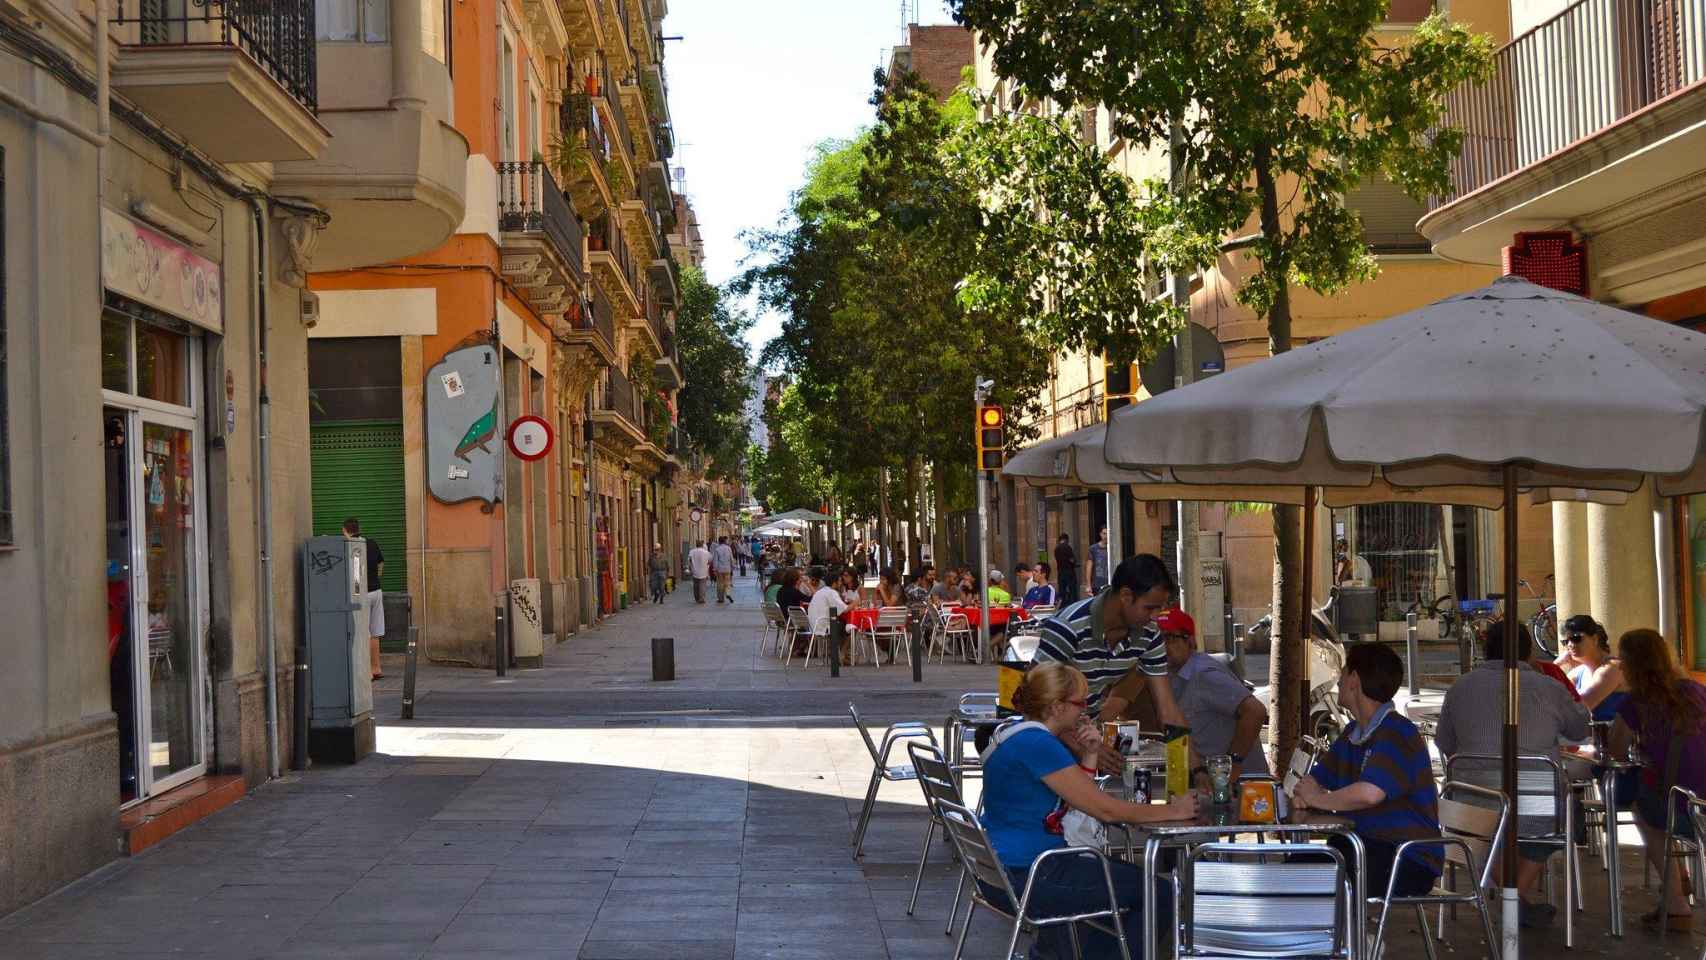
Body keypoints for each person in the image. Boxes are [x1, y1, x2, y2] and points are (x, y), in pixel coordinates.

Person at [980, 661, 1199, 959]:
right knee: (1160, 894)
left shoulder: (1017, 735)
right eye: (1079, 702)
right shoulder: (1040, 745)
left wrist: (1090, 755)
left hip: (1005, 870)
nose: (1085, 710)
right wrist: (1173, 812)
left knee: (1120, 879)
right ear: (1057, 707)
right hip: (1031, 874)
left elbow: (1073, 799)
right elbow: (1105, 810)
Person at [1434, 620, 1589, 927]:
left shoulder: (1460, 687)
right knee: (1560, 819)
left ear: (1485, 650)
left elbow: (1445, 743)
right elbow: (1580, 729)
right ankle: (1514, 899)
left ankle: (1512, 898)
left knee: (1484, 835)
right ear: (1527, 651)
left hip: (1470, 806)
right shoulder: (1550, 688)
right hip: (1538, 803)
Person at [1293, 643, 1442, 900]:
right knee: (1294, 871)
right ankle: (1335, 938)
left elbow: (1370, 793)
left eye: (1343, 672)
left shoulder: (1397, 732)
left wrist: (1317, 799)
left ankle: (1352, 940)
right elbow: (1312, 781)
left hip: (1407, 857)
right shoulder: (1353, 733)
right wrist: (1305, 792)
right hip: (1364, 846)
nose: (1338, 679)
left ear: (1353, 680)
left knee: (1318, 881)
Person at [1035, 554, 1190, 772]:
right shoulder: (1068, 627)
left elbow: (1168, 711)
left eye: (1159, 609)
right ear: (1126, 595)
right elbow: (1030, 702)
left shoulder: (1149, 635)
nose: (1155, 617)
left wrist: (1192, 768)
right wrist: (1078, 746)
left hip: (1086, 737)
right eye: (1149, 608)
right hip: (1046, 740)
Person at [1608, 628, 1706, 931]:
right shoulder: (1696, 690)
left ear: (1631, 664)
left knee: (1644, 809)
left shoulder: (1635, 703)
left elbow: (1615, 750)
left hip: (1684, 811)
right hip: (1702, 804)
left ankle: (1676, 902)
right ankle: (1680, 879)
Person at [1154, 608, 1271, 780]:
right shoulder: (1168, 674)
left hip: (1242, 786)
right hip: (1204, 780)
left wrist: (1233, 763)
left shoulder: (1203, 674)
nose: (1162, 646)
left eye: (1170, 638)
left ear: (1190, 641)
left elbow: (1256, 711)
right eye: (1157, 639)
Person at [1555, 614, 1628, 721]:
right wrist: (1557, 664)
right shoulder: (1578, 673)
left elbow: (1580, 708)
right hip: (1592, 736)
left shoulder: (1612, 668)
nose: (1570, 644)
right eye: (1565, 642)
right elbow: (1549, 697)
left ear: (1595, 639)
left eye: (1576, 638)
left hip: (1615, 736)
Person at [342, 518, 386, 681]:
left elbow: (355, 577)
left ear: (345, 531)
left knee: (363, 632)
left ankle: (367, 672)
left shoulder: (351, 547)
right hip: (377, 591)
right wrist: (375, 577)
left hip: (363, 594)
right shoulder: (372, 543)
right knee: (375, 632)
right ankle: (376, 668)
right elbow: (381, 564)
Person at [806, 566, 851, 666]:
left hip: (814, 626)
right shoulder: (832, 592)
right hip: (825, 626)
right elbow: (845, 609)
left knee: (843, 625)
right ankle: (842, 654)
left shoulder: (820, 592)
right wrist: (856, 603)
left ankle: (839, 654)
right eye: (839, 581)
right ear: (834, 583)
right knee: (850, 628)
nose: (841, 583)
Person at [1055, 533, 1080, 604]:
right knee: (1072, 590)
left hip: (1060, 572)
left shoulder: (1056, 549)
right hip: (1069, 572)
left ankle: (1062, 605)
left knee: (1062, 591)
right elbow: (1071, 559)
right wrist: (1075, 563)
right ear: (1066, 539)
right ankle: (1073, 604)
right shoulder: (1067, 547)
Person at [712, 536, 735, 604]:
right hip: (727, 568)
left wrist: (714, 569)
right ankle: (727, 593)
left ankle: (721, 598)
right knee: (727, 583)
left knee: (720, 584)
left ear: (719, 542)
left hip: (720, 569)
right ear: (724, 541)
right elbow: (731, 558)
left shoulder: (717, 549)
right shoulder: (728, 548)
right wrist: (732, 566)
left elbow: (715, 561)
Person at [1089, 526, 1110, 595]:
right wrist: (1088, 585)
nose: (1106, 536)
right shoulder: (1094, 549)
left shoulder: (1113, 548)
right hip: (1098, 584)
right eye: (1104, 533)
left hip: (1110, 582)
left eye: (1107, 534)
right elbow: (1089, 567)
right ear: (1100, 534)